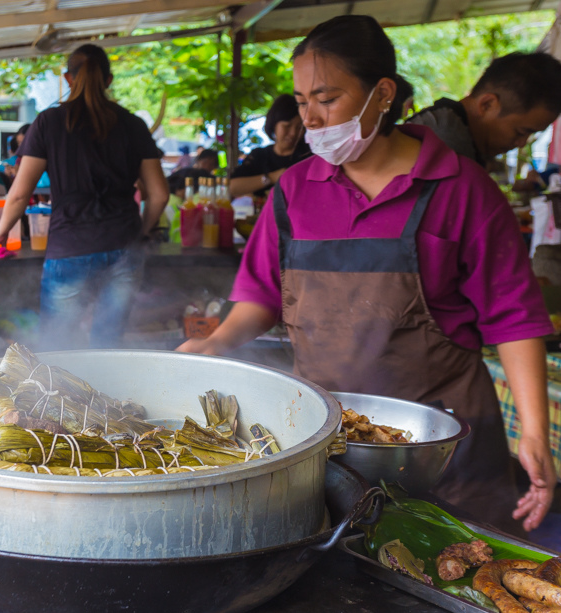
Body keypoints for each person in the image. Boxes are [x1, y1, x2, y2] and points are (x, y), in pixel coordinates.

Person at [177, 15, 555, 535]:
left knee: (461, 579)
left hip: (442, 446)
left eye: (327, 98)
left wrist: (534, 431)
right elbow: (263, 293)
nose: (309, 116)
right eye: (302, 99)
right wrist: (218, 344)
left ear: (382, 93)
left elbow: (513, 317)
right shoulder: (295, 189)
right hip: (326, 435)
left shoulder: (461, 187)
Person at [0, 43, 168, 350]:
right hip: (124, 245)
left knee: (59, 347)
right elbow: (159, 195)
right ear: (108, 80)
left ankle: (59, 400)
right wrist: (143, 233)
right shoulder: (133, 125)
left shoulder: (48, 122)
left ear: (68, 78)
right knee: (108, 344)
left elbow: (19, 194)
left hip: (70, 247)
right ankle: (109, 398)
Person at [408, 52, 561, 166]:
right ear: (487, 105)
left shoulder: (449, 127)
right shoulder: (447, 142)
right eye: (521, 132)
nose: (522, 143)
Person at [229, 94, 311, 199]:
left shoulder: (307, 157)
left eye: (299, 127)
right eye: (287, 126)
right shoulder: (259, 155)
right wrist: (272, 177)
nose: (293, 133)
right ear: (274, 125)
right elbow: (232, 187)